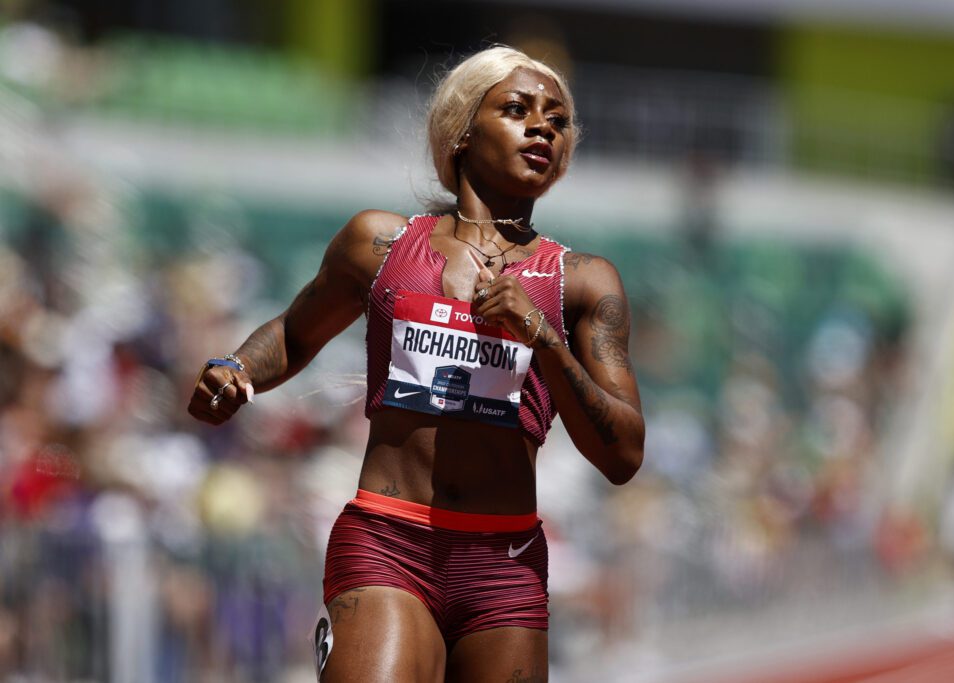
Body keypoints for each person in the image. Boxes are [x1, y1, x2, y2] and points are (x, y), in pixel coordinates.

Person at [187, 46, 644, 683]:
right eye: (517, 109)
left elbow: (623, 454)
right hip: (386, 541)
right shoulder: (378, 243)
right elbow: (293, 333)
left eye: (558, 120)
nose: (543, 127)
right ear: (460, 130)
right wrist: (233, 366)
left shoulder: (584, 283)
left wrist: (542, 337)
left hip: (503, 560)